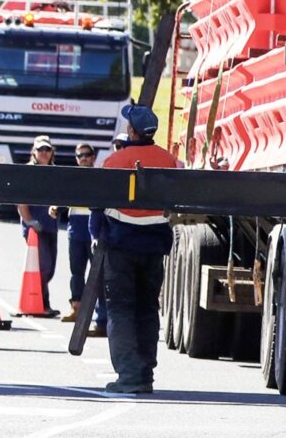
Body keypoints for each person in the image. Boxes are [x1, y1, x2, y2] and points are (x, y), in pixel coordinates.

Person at [93, 104, 180, 394]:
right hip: (154, 248)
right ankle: (145, 374)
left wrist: (98, 235)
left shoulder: (116, 161)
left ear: (131, 131)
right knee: (147, 309)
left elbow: (98, 206)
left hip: (121, 247)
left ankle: (129, 376)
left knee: (121, 309)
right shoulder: (168, 161)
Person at [59, 143, 108, 335]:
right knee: (76, 273)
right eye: (80, 156)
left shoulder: (99, 177)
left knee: (98, 276)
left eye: (87, 155)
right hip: (75, 230)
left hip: (93, 230)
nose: (84, 158)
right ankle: (76, 308)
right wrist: (56, 208)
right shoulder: (72, 178)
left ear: (93, 157)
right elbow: (63, 198)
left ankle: (100, 317)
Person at [17, 136, 61, 318]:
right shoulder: (28, 172)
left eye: (47, 150)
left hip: (51, 226)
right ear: (33, 152)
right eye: (40, 150)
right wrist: (29, 221)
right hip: (35, 228)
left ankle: (40, 301)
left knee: (50, 268)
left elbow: (60, 197)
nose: (44, 153)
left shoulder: (54, 172)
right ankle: (41, 303)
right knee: (43, 266)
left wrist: (57, 208)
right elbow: (21, 200)